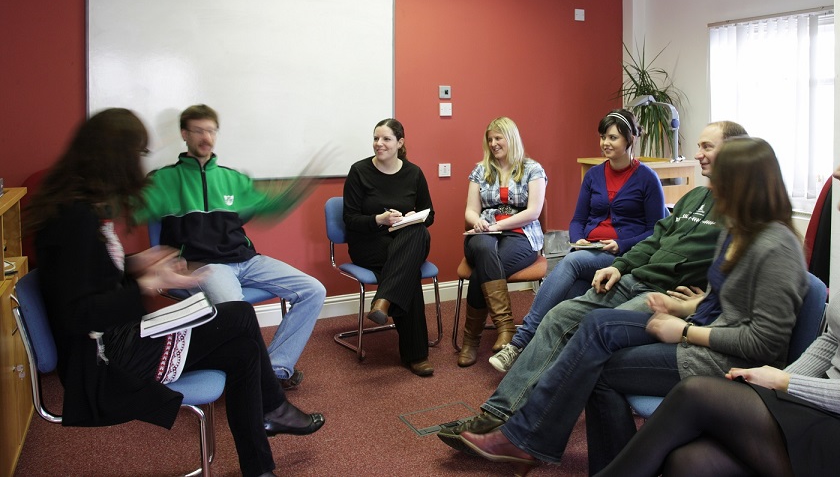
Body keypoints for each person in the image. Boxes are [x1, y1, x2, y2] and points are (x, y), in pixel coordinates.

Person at [593, 117, 840, 477]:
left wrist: (784, 384)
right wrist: (784, 382)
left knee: (696, 395)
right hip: (837, 409)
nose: (836, 172)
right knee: (688, 462)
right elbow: (833, 340)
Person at [453, 137, 808, 472]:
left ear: (743, 184)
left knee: (597, 363)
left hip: (723, 361)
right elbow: (724, 301)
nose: (710, 184)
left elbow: (765, 344)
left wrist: (686, 330)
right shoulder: (738, 230)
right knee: (594, 327)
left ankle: (526, 439)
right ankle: (528, 438)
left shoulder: (776, 246)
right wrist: (688, 309)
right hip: (699, 330)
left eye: (720, 176)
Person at [27, 108, 324, 477]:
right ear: (114, 156)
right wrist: (143, 284)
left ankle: (262, 458)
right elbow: (81, 314)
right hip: (106, 358)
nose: (137, 165)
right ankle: (273, 413)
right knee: (240, 321)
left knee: (244, 342)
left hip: (122, 336)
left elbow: (89, 276)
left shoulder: (78, 211)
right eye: (135, 154)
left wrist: (137, 262)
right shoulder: (74, 220)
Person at [136, 104, 325, 389]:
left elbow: (268, 207)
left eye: (211, 130)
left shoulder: (232, 178)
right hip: (205, 266)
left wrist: (292, 190)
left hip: (247, 260)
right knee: (238, 312)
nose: (206, 137)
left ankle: (275, 368)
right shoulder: (163, 180)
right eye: (198, 130)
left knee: (313, 290)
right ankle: (259, 376)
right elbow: (135, 210)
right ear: (184, 134)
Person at [489, 108, 667, 373]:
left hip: (622, 254)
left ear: (630, 140)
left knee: (571, 263)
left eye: (613, 137)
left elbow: (657, 230)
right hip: (589, 251)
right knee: (571, 297)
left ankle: (519, 342)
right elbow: (577, 219)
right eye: (602, 137)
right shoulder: (594, 175)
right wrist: (579, 238)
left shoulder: (647, 178)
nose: (605, 143)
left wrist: (622, 244)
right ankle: (544, 364)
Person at [342, 118, 437, 377]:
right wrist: (379, 220)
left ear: (400, 143)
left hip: (405, 238)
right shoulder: (359, 171)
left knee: (417, 232)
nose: (379, 144)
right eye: (376, 138)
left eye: (385, 139)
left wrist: (408, 217)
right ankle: (416, 356)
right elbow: (349, 219)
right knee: (409, 271)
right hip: (369, 243)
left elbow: (429, 215)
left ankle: (384, 301)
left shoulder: (414, 173)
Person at [457, 117, 548, 367]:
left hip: (521, 235)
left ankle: (470, 342)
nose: (494, 143)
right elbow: (470, 210)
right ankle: (505, 328)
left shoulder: (533, 169)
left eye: (499, 138)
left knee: (480, 274)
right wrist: (477, 222)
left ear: (511, 138)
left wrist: (499, 225)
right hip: (483, 234)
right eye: (490, 139)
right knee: (484, 248)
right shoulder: (480, 170)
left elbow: (533, 212)